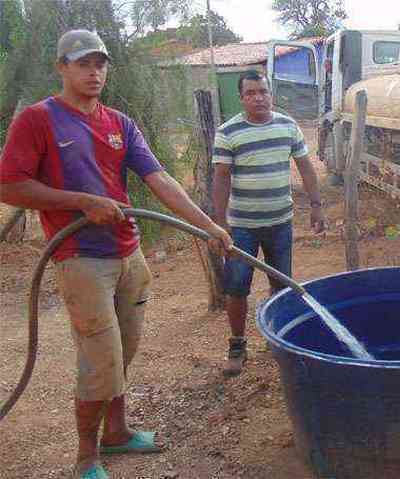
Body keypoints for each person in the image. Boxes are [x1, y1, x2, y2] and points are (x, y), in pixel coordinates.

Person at [0, 30, 232, 479]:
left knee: (123, 351)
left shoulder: (119, 122)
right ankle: (86, 458)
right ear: (62, 67)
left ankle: (118, 432)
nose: (94, 72)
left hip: (129, 254)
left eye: (100, 64)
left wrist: (208, 226)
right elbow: (9, 185)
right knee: (100, 359)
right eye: (83, 63)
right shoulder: (38, 119)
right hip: (80, 256)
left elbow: (160, 178)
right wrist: (81, 202)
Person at [212, 70, 326, 377]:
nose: (258, 97)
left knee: (281, 284)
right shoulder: (228, 132)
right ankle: (237, 346)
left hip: (280, 223)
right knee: (237, 287)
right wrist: (219, 223)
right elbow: (221, 179)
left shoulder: (288, 126)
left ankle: (278, 340)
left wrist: (316, 206)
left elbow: (306, 168)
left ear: (270, 94)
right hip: (241, 227)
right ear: (242, 98)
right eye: (251, 93)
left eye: (263, 91)